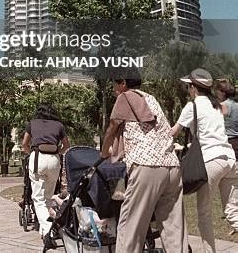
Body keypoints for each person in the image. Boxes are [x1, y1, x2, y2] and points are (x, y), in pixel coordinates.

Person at [101, 74, 188, 253]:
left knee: (131, 225)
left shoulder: (125, 97)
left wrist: (104, 152)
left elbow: (112, 127)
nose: (113, 90)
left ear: (123, 83)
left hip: (147, 165)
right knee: (173, 226)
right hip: (171, 165)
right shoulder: (150, 98)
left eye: (114, 85)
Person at [171, 68, 238, 252]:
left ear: (193, 88)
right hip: (230, 160)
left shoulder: (192, 106)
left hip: (212, 160)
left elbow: (173, 132)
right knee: (233, 213)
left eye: (187, 87)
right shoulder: (216, 105)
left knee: (204, 213)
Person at [22, 104, 70, 242]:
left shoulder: (32, 123)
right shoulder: (59, 125)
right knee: (48, 197)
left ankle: (48, 229)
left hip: (38, 158)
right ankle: (44, 230)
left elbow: (24, 143)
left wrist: (30, 153)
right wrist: (57, 152)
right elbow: (66, 145)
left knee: (38, 198)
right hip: (54, 161)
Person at [215, 79, 238, 159]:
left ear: (223, 93)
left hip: (227, 143)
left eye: (217, 92)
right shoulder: (236, 105)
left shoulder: (221, 106)